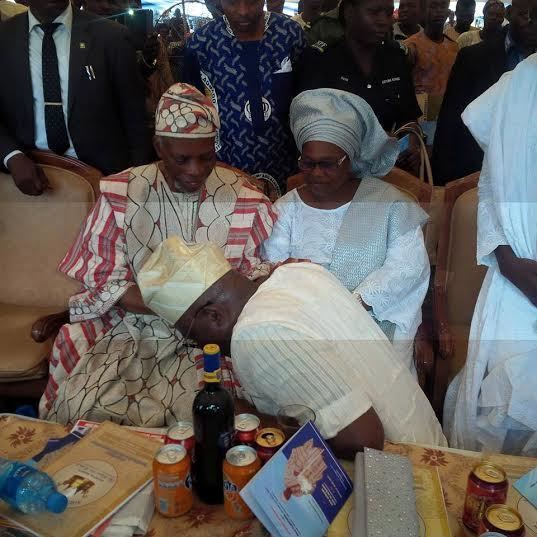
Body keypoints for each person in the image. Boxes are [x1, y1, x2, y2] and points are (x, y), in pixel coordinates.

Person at [38, 84, 276, 426]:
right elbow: (107, 280)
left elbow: (255, 280)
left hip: (214, 334)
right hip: (135, 324)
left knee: (215, 417)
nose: (196, 170)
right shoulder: (122, 192)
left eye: (206, 156)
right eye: (182, 159)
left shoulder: (245, 199)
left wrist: (205, 319)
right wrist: (177, 308)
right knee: (89, 403)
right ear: (159, 147)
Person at [138, 236, 446, 460]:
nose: (200, 346)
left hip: (403, 475)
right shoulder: (296, 273)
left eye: (193, 337)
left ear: (214, 315)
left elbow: (361, 440)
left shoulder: (255, 335)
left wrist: (255, 419)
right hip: (430, 445)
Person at [262, 89, 429, 371]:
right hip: (302, 326)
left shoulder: (391, 205)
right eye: (308, 163)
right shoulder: (286, 208)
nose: (316, 173)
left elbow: (406, 269)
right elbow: (272, 265)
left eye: (327, 164)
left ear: (350, 159)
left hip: (372, 324)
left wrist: (350, 306)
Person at [444, 55, 537, 456]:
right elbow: (493, 187)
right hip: (518, 278)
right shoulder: (522, 84)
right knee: (500, 415)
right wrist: (507, 256)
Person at [0, 0, 151, 196]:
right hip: (27, 178)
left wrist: (140, 182)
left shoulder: (111, 37)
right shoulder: (4, 38)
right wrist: (11, 156)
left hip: (103, 179)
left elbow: (135, 118)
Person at [183, 0, 306, 196]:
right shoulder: (201, 44)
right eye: (232, 2)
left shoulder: (289, 35)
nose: (243, 11)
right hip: (226, 168)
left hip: (288, 166)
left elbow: (305, 99)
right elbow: (193, 111)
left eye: (252, 1)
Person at [431, 0, 537, 185]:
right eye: (524, 16)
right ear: (509, 13)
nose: (531, 23)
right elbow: (451, 122)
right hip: (475, 171)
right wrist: (444, 183)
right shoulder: (472, 58)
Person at [296, 0, 422, 133]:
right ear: (349, 12)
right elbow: (307, 125)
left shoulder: (397, 58)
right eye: (374, 12)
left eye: (389, 13)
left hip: (395, 151)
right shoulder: (320, 60)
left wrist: (411, 138)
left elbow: (409, 116)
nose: (384, 21)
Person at [404, 0, 458, 96]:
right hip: (418, 108)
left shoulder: (454, 47)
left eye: (443, 6)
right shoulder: (411, 46)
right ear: (424, 11)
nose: (439, 11)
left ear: (448, 12)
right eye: (433, 6)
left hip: (447, 107)